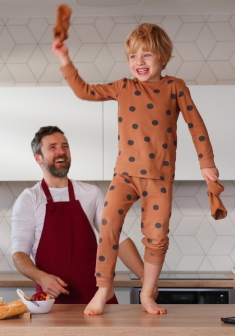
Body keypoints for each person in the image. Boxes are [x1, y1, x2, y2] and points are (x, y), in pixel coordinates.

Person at [52, 23, 219, 315]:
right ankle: (104, 288)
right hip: (124, 176)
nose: (139, 62)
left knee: (156, 238)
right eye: (133, 56)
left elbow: (196, 125)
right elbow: (84, 91)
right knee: (107, 225)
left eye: (147, 55)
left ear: (163, 57)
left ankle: (147, 294)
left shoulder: (175, 86)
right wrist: (65, 59)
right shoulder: (123, 86)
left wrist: (206, 163)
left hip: (160, 178)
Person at [11, 126, 145, 305]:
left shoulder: (90, 193)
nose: (61, 151)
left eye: (64, 146)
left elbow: (116, 237)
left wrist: (145, 277)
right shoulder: (29, 198)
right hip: (52, 302)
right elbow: (19, 255)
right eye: (52, 147)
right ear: (38, 158)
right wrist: (42, 278)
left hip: (97, 298)